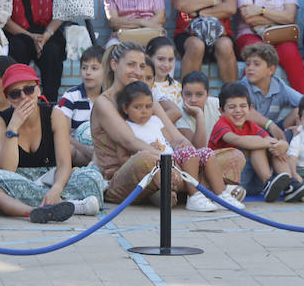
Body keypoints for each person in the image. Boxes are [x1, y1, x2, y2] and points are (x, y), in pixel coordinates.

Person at [92, 42, 245, 206]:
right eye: (131, 65)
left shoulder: (146, 95)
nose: (137, 72)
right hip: (125, 175)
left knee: (233, 156)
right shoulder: (104, 102)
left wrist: (192, 157)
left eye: (142, 66)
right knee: (146, 160)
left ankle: (177, 189)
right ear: (114, 65)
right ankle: (211, 188)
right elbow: (130, 142)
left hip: (168, 165)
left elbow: (177, 138)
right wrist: (174, 164)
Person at [0, 64, 105, 221]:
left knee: (93, 177)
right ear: (8, 99)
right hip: (19, 179)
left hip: (53, 177)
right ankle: (72, 205)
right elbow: (7, 169)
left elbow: (64, 164)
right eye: (15, 93)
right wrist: (14, 126)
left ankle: (52, 203)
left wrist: (56, 188)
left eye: (28, 89)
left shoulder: (55, 114)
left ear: (38, 90)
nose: (23, 97)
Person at [116, 80, 233, 212]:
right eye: (138, 107)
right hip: (155, 165)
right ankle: (194, 196)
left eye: (148, 107)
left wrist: (180, 146)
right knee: (188, 153)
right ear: (125, 108)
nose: (144, 111)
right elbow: (122, 157)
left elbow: (171, 142)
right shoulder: (126, 127)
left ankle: (221, 195)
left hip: (173, 160)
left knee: (205, 152)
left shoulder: (156, 121)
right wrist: (144, 155)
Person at [211, 81, 304, 202]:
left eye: (243, 106)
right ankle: (268, 183)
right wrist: (270, 143)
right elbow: (238, 140)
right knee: (257, 144)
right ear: (221, 111)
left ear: (250, 109)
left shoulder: (251, 125)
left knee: (272, 148)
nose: (238, 110)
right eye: (232, 107)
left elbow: (271, 141)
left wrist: (283, 145)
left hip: (254, 181)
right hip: (231, 180)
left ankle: (289, 185)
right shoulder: (221, 124)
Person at [0, 0, 66, 100]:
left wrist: (46, 36)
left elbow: (61, 13)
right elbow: (5, 20)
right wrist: (30, 36)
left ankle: (49, 103)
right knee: (18, 48)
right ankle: (17, 99)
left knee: (52, 52)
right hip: (18, 34)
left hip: (47, 33)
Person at [56, 45, 104, 167]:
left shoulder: (110, 97)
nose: (88, 72)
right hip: (79, 151)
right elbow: (63, 134)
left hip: (102, 151)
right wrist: (85, 149)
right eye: (84, 68)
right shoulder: (71, 96)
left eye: (94, 68)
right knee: (68, 149)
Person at [241, 42, 301, 131]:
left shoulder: (279, 86)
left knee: (301, 110)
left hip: (273, 131)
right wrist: (270, 125)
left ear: (271, 70)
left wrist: (300, 127)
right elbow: (247, 112)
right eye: (248, 64)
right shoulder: (242, 86)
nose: (250, 68)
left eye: (256, 64)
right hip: (249, 132)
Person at [177, 70, 220, 145]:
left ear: (208, 94)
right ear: (181, 94)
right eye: (188, 94)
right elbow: (198, 148)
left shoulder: (217, 104)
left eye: (199, 94)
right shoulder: (178, 113)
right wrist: (199, 114)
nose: (193, 100)